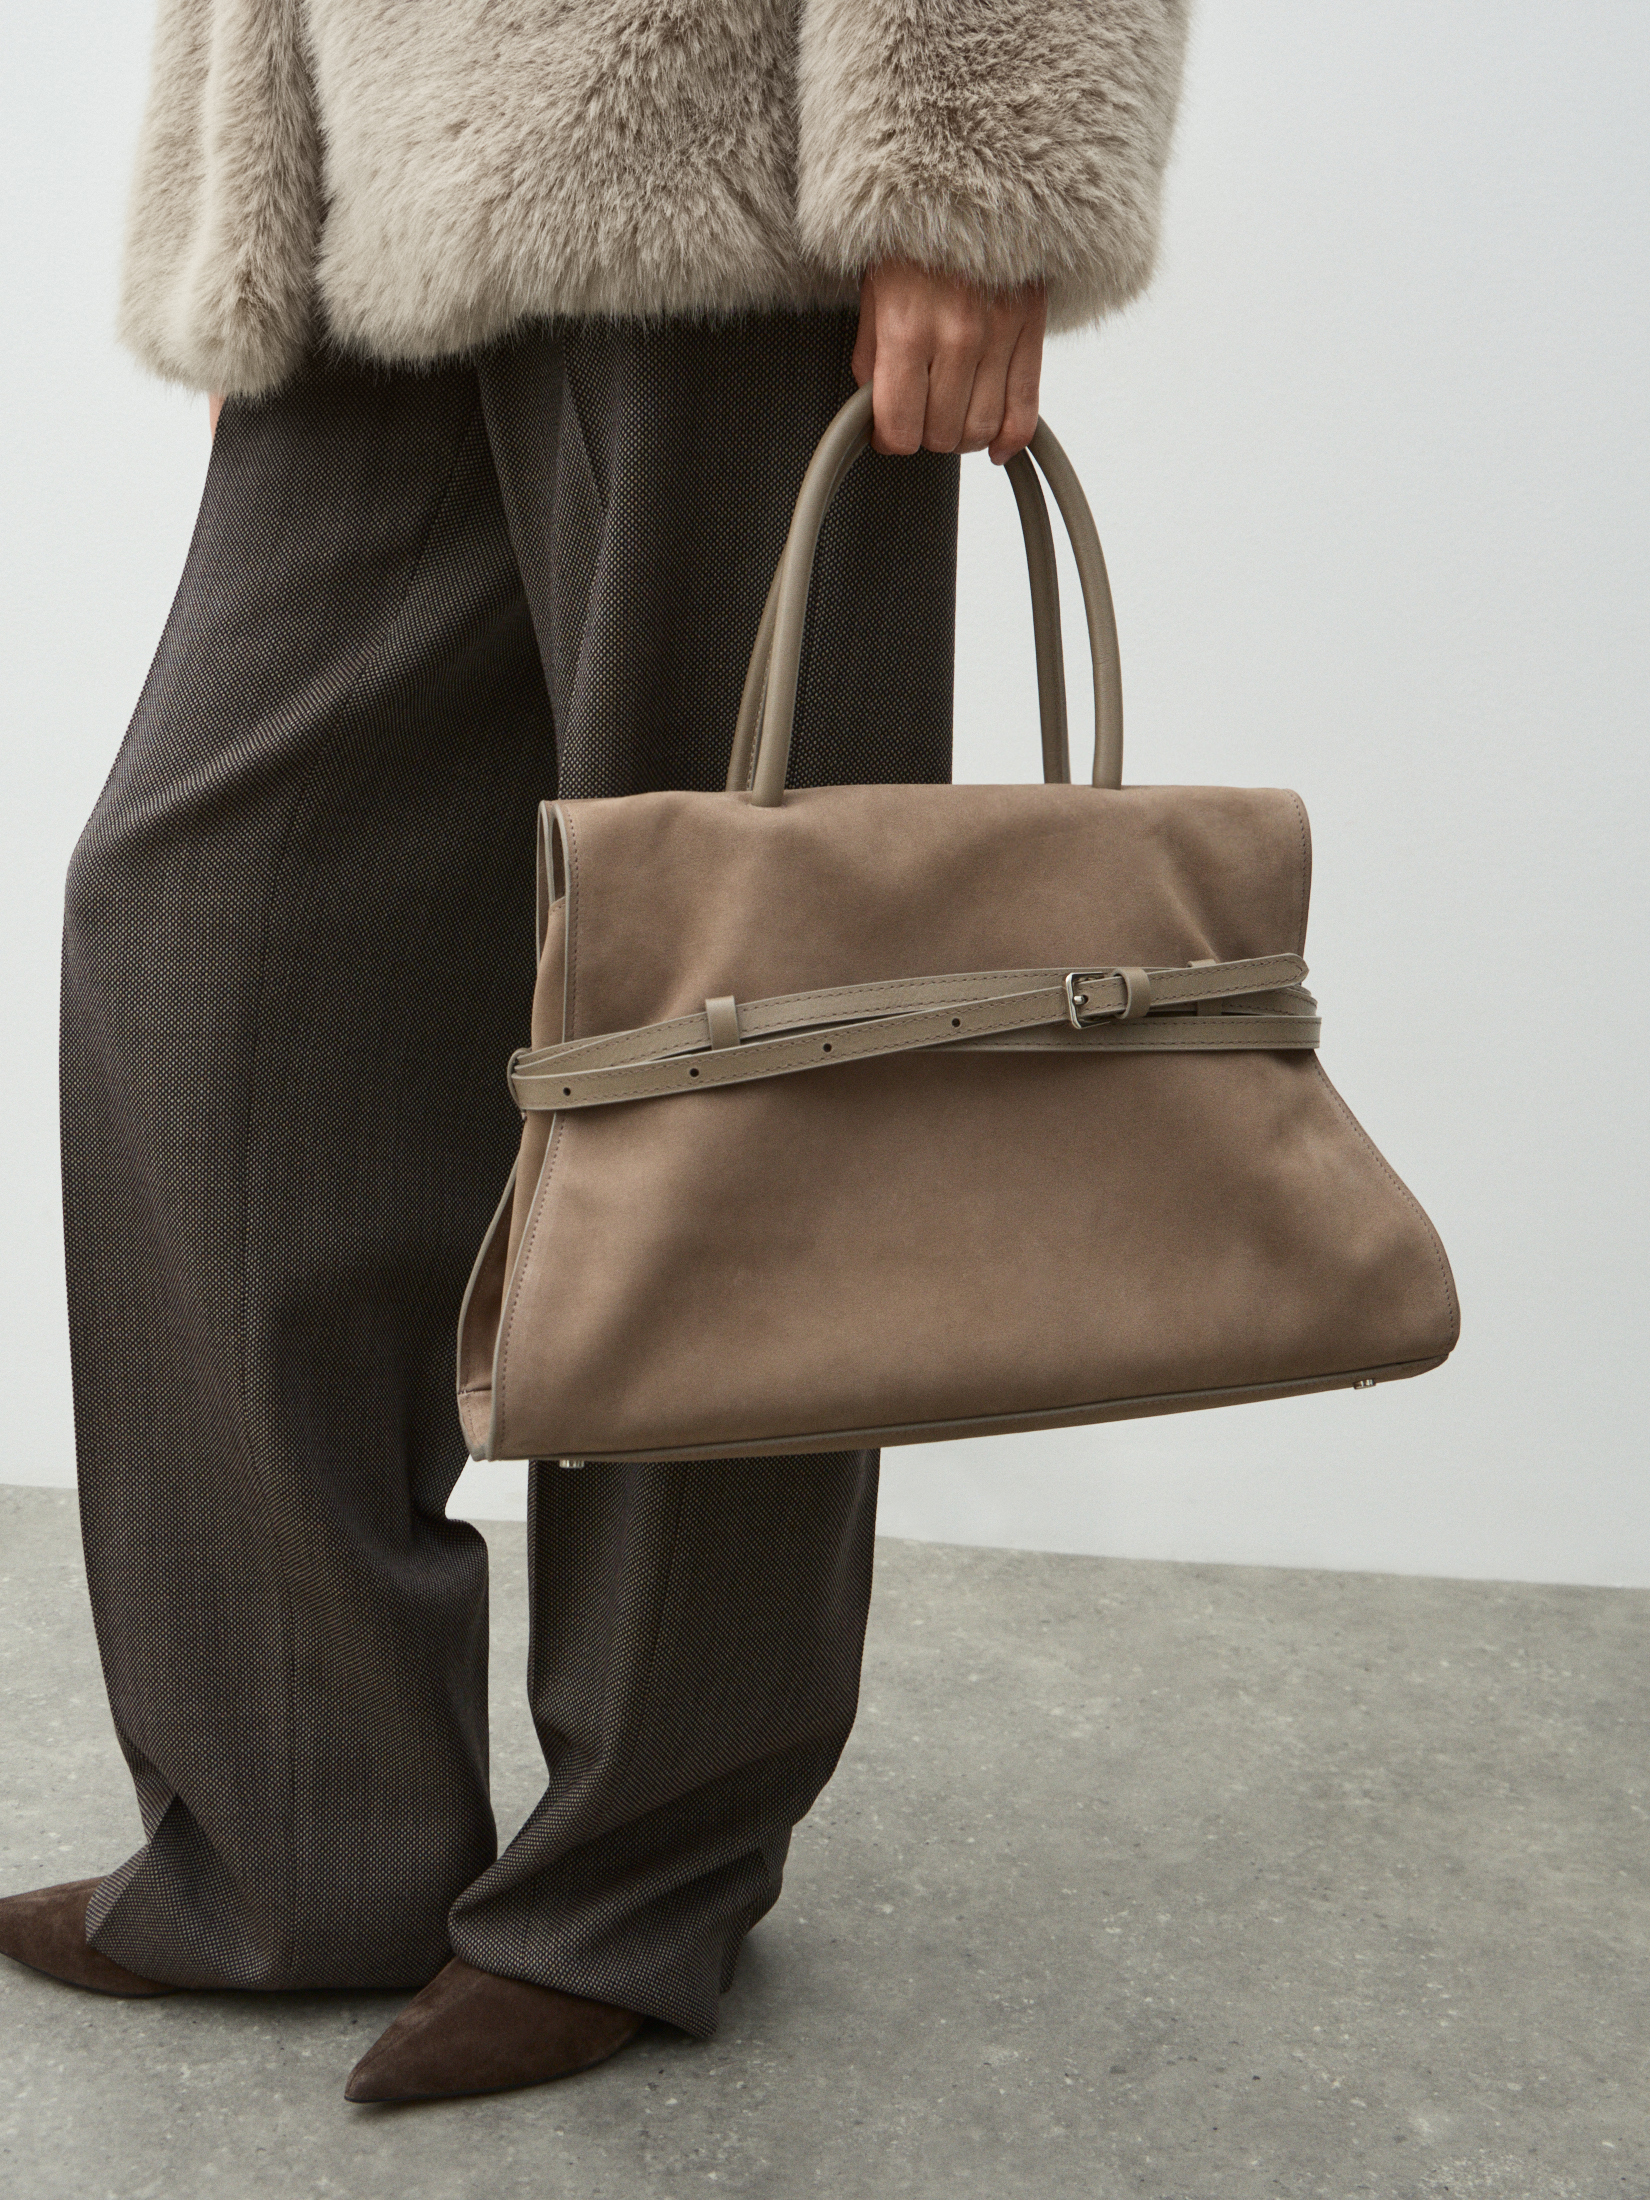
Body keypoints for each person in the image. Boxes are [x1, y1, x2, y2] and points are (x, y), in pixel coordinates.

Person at [0, 0, 1188, 2104]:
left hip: (726, 167)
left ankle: (638, 1876)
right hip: (377, 169)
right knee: (192, 933)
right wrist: (254, 185)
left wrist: (968, 160)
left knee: (729, 1023)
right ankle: (301, 1835)